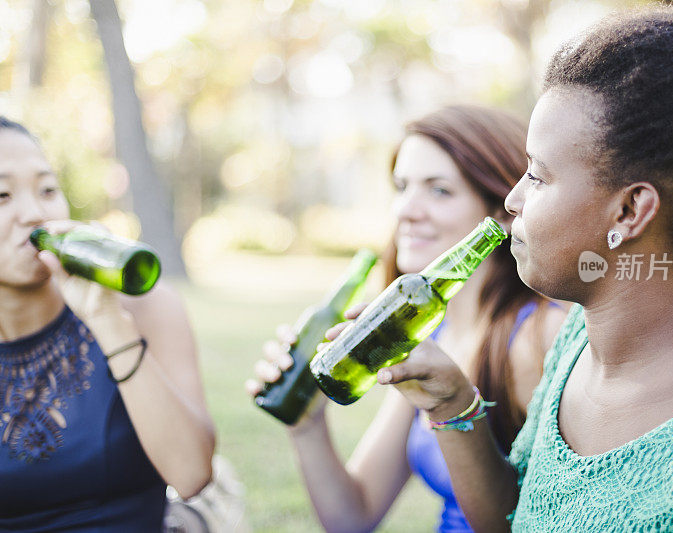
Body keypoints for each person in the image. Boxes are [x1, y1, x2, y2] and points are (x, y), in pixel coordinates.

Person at [352, 0, 673, 530]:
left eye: (539, 176)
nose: (513, 200)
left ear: (630, 210)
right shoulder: (576, 348)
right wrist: (452, 404)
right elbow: (513, 519)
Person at [246, 105, 567, 532]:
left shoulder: (539, 336)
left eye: (438, 191)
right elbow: (353, 517)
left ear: (503, 211)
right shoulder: (433, 335)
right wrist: (307, 426)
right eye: (401, 186)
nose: (405, 210)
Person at [0, 117, 216, 531]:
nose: (33, 213)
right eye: (2, 195)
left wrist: (105, 317)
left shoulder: (148, 307)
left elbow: (192, 475)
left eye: (47, 190)